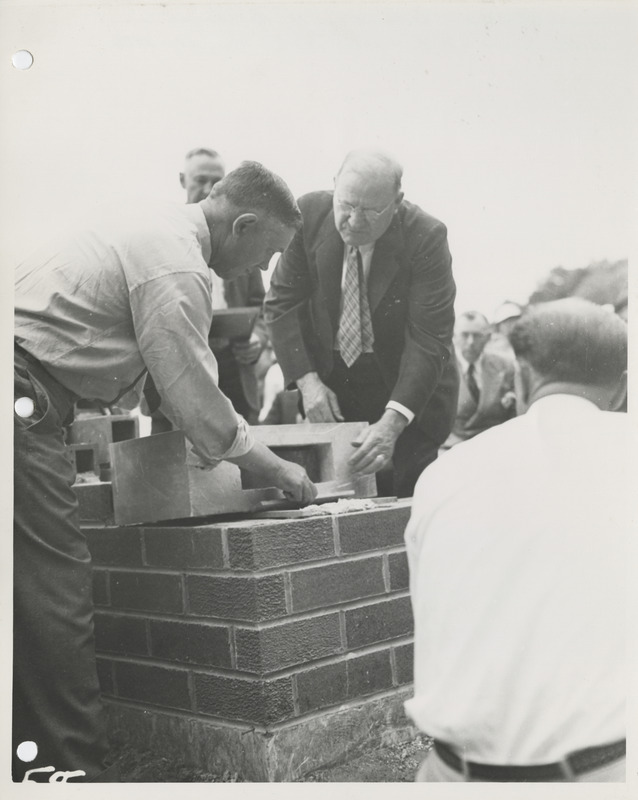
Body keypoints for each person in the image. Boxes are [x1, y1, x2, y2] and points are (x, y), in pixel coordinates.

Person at [13, 161, 317, 782]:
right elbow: (193, 393)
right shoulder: (179, 262)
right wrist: (272, 467)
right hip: (20, 398)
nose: (262, 271)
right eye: (268, 253)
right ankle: (70, 773)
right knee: (54, 590)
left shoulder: (149, 225)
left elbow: (159, 382)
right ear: (245, 223)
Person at [404, 298, 628, 782]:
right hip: (606, 773)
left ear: (521, 378)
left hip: (452, 774)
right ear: (621, 390)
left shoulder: (445, 475)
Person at [264, 149, 459, 497]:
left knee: (406, 499)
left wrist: (392, 423)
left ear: (397, 202)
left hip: (407, 388)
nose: (354, 221)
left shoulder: (426, 235)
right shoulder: (307, 215)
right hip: (334, 383)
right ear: (334, 186)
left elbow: (428, 339)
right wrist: (309, 384)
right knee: (340, 501)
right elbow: (281, 305)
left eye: (370, 211)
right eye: (347, 205)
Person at [146, 148, 268, 428]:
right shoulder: (164, 235)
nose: (208, 189)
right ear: (182, 180)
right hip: (177, 373)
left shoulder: (242, 235)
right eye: (200, 179)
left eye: (216, 181)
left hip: (233, 367)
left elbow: (262, 304)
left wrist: (258, 339)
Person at [440, 310, 516, 450]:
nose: (470, 342)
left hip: (495, 447)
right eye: (465, 335)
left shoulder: (505, 366)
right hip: (451, 450)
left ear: (488, 338)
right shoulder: (440, 369)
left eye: (477, 336)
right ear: (453, 336)